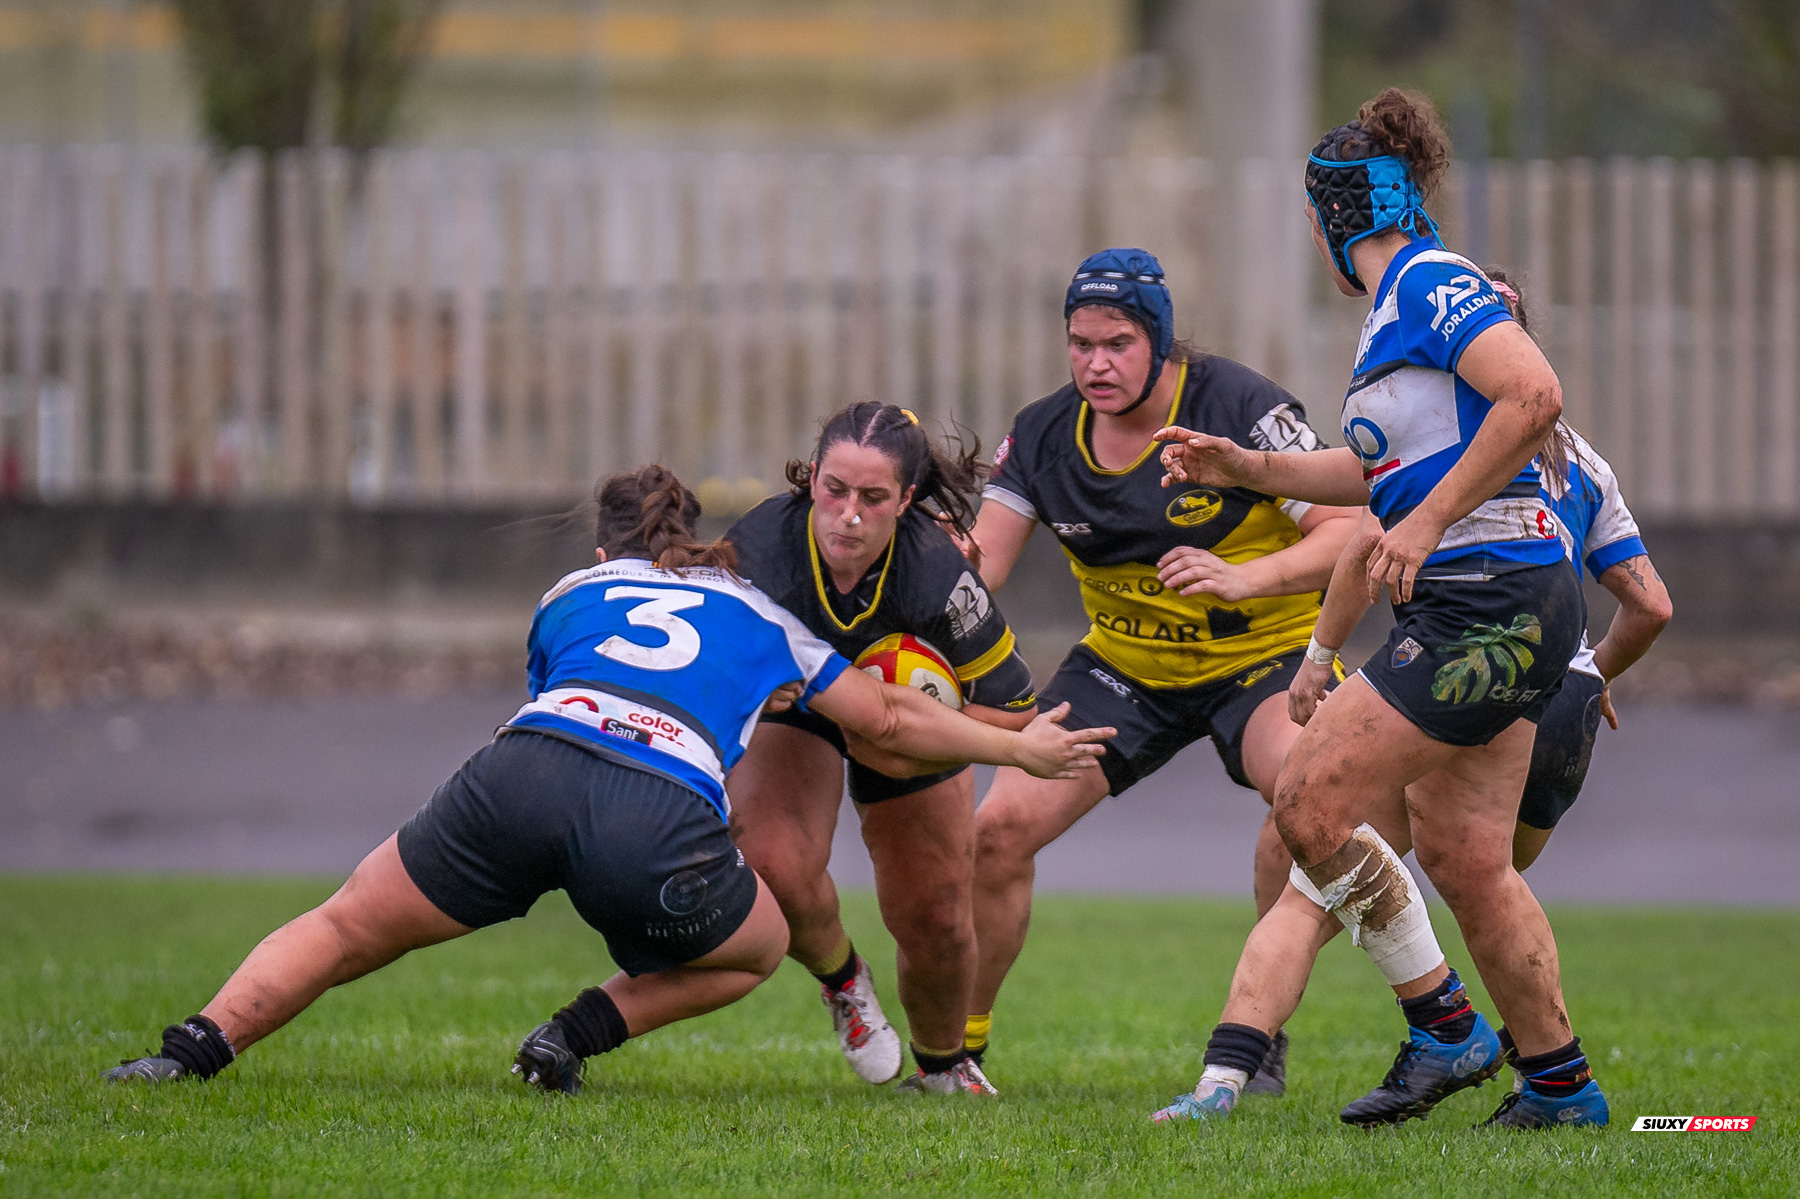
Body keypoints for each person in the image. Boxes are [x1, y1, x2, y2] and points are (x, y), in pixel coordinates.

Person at [103, 465, 1111, 1093]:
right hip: (655, 808)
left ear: (605, 548)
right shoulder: (764, 615)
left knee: (343, 922)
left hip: (521, 771)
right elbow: (888, 716)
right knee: (753, 946)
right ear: (704, 543)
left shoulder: (570, 588)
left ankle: (189, 1049)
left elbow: (552, 685)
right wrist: (1015, 748)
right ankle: (573, 1032)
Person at [1155, 88, 1610, 1129]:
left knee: (1309, 798)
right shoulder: (1399, 306)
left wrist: (1426, 522)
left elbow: (1534, 394)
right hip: (1502, 598)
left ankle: (1445, 1025)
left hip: (1486, 598)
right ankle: (1561, 1084)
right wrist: (1249, 466)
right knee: (1463, 861)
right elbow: (1380, 476)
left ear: (1331, 218)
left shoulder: (1428, 281)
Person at [961, 247, 1361, 1087]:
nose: (1094, 364)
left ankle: (1260, 1028)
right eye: (1079, 343)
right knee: (996, 832)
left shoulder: (1239, 406)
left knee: (1303, 799)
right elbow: (976, 569)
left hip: (1265, 659)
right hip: (1125, 670)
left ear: (1161, 340)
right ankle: (959, 1046)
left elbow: (1345, 533)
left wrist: (1243, 576)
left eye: (1116, 344)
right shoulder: (1041, 434)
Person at [725, 403, 1039, 1096]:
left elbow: (1016, 713)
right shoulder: (756, 552)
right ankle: (844, 982)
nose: (850, 513)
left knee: (936, 916)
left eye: (873, 497)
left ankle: (942, 1066)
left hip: (907, 725)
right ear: (811, 478)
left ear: (905, 499)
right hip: (798, 708)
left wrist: (911, 720)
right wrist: (753, 693)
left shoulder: (937, 574)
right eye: (835, 489)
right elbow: (704, 669)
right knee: (773, 861)